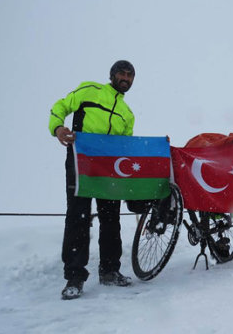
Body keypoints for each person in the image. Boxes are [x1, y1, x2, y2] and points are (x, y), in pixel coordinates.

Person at [49, 60, 136, 300]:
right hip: (81, 161)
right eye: (122, 73)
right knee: (78, 216)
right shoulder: (90, 90)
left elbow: (126, 146)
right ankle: (74, 277)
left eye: (130, 75)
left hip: (109, 167)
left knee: (111, 219)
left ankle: (109, 271)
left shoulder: (127, 114)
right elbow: (60, 105)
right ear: (112, 75)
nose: (125, 78)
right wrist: (57, 127)